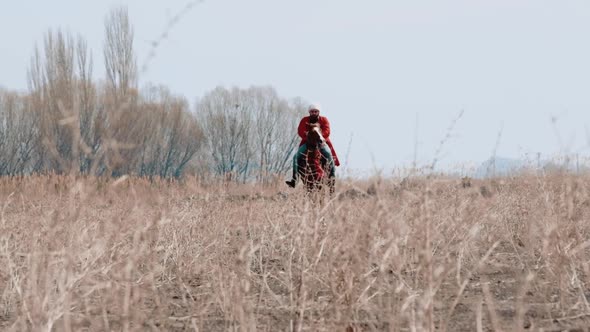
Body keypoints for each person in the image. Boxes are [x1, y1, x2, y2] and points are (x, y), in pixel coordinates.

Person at [286, 104, 340, 188]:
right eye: (312, 111)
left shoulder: (324, 119)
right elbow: (300, 131)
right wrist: (308, 135)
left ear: (318, 112)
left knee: (329, 155)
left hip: (321, 142)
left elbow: (327, 131)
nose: (314, 113)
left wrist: (318, 135)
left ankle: (332, 178)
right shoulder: (304, 120)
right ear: (309, 112)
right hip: (308, 142)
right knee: (295, 157)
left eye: (315, 111)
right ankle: (294, 179)